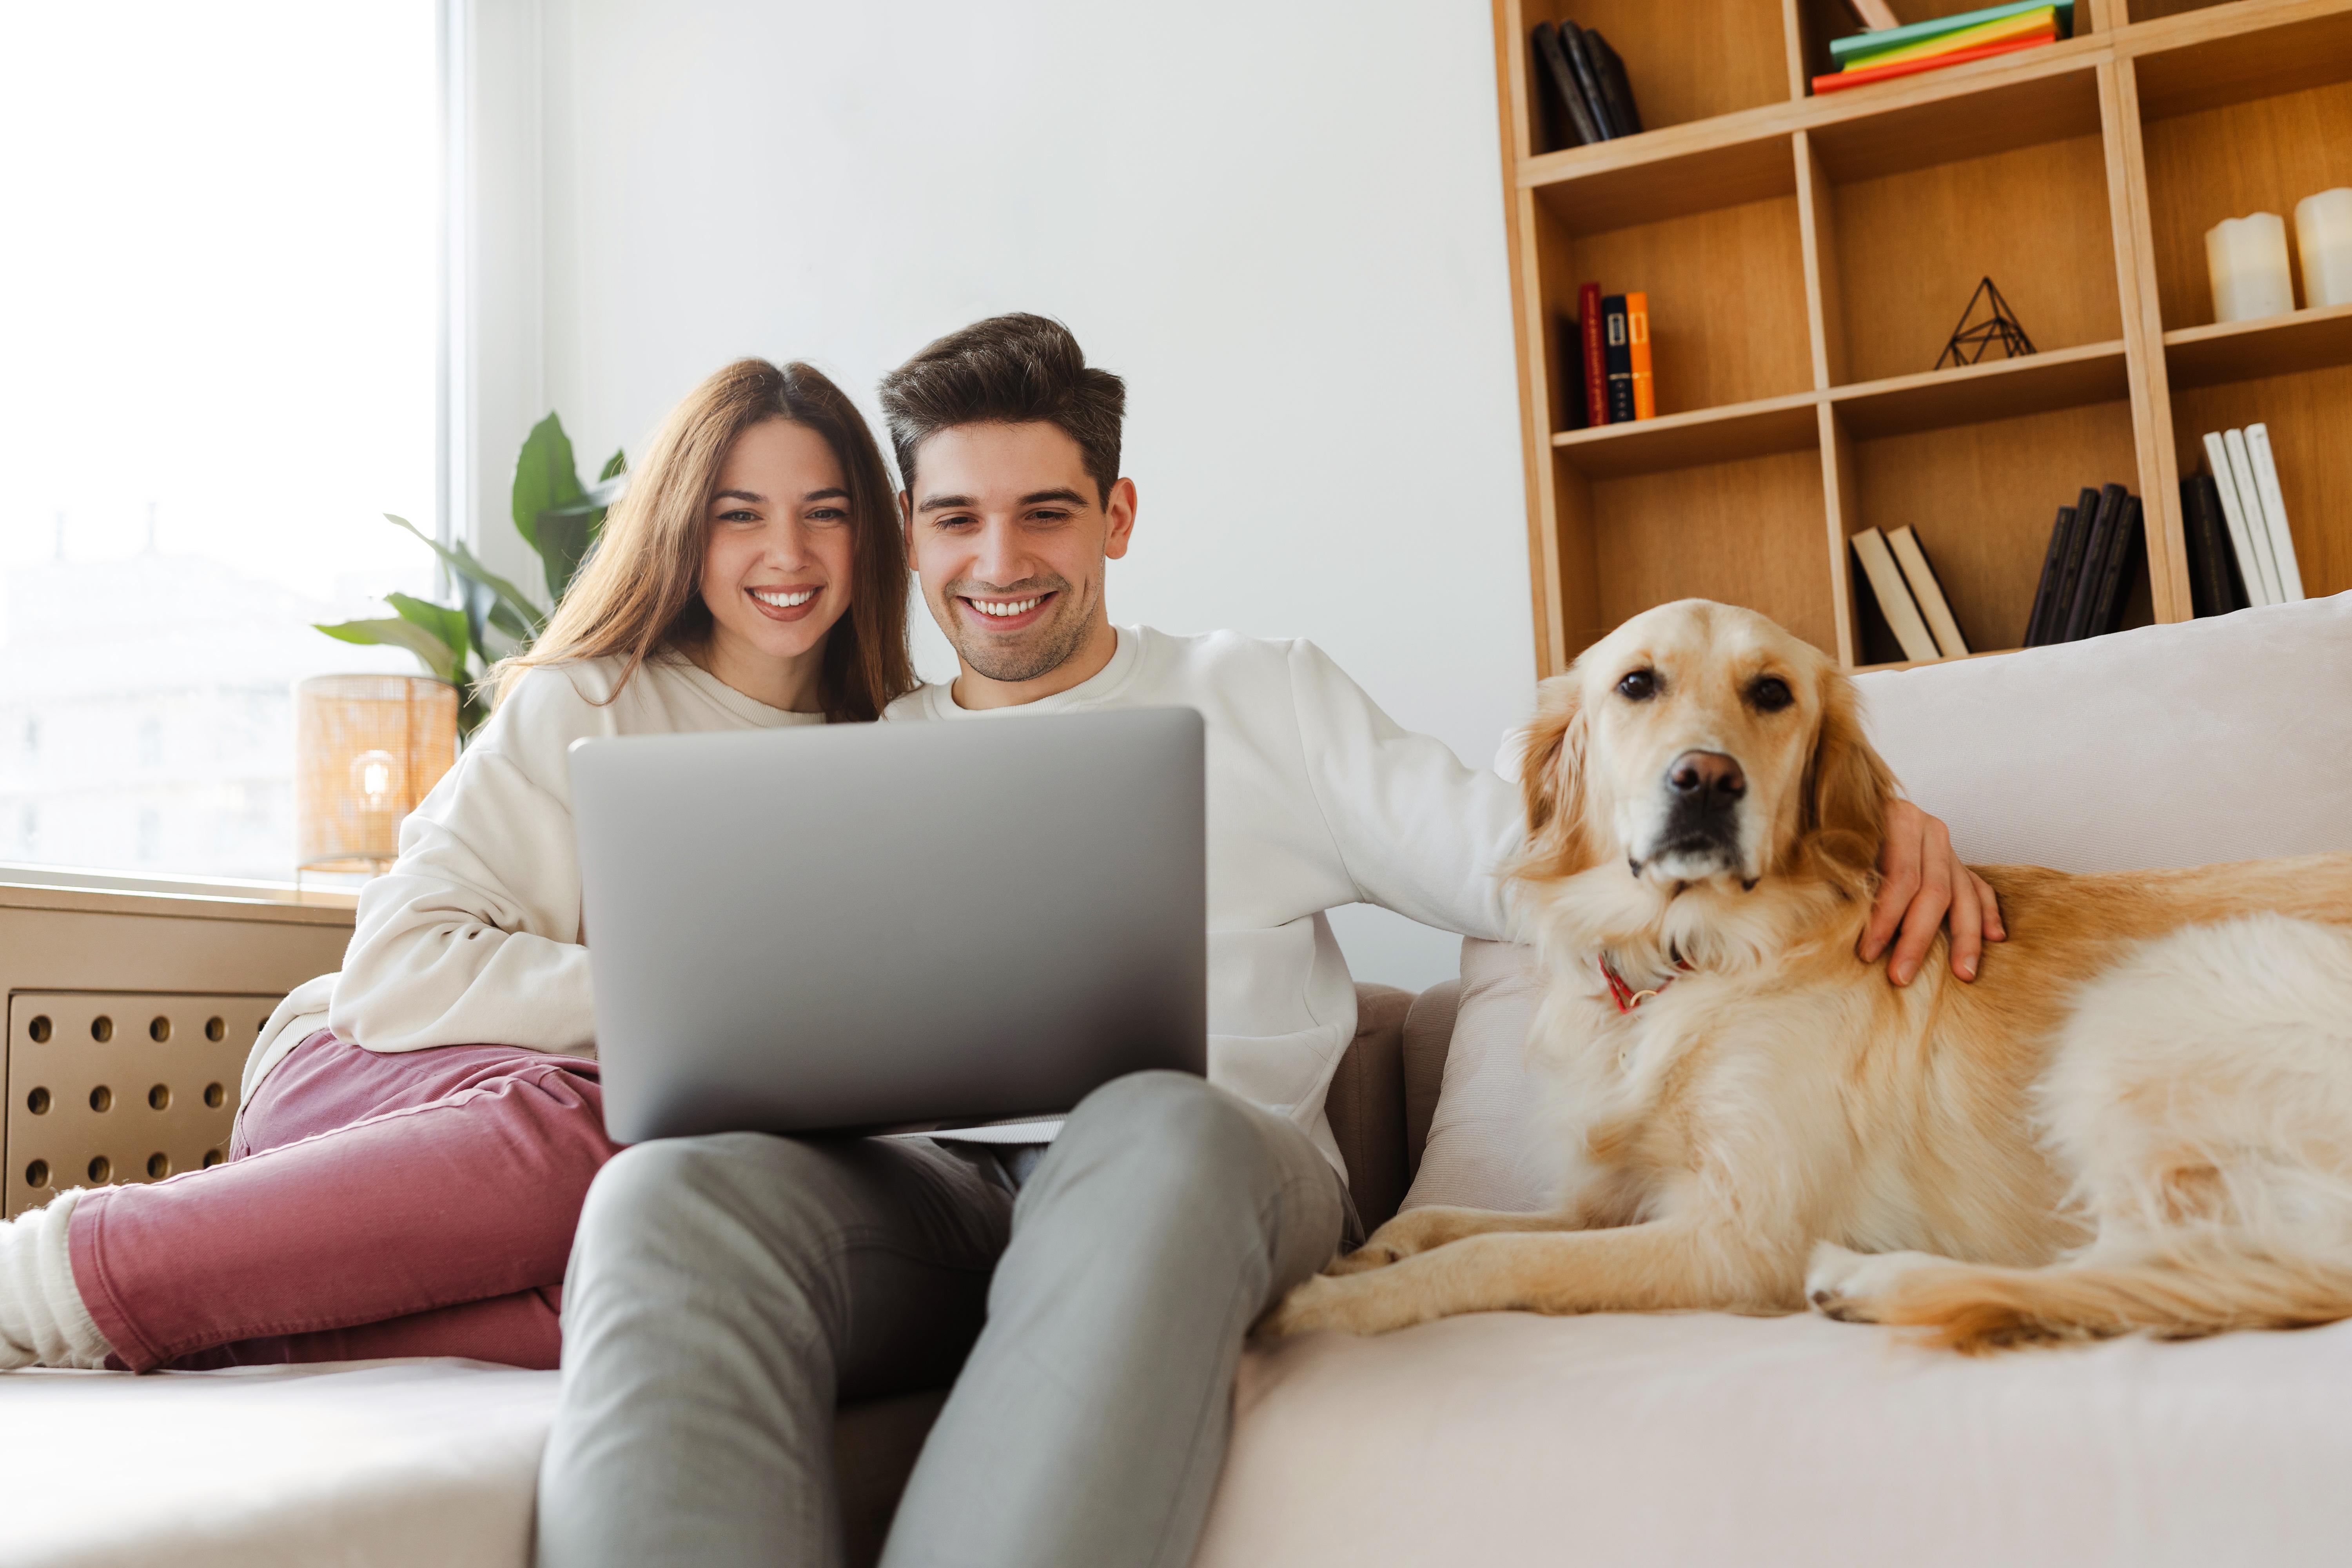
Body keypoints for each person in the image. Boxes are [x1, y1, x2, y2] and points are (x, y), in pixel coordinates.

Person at [535, 315, 2003, 1568]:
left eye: (1047, 512)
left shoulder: (1262, 698)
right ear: (911, 536)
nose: (1001, 561)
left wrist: (1865, 824)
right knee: (667, 1198)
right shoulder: (857, 750)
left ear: (1115, 518)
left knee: (1152, 1130)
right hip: (936, 1196)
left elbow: (1546, 859)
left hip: (1202, 1169)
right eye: (955, 519)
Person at [0, 358, 914, 1372]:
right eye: (740, 515)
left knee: (670, 1280)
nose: (787, 551)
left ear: (870, 532)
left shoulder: (894, 750)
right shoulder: (587, 703)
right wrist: (686, 1010)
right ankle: (48, 1280)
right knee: (608, 1133)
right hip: (366, 1066)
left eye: (824, 513)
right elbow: (394, 968)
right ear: (684, 529)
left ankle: (229, 1326)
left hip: (634, 1142)